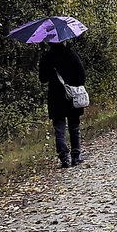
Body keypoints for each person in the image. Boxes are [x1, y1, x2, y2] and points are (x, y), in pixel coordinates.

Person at [38, 38, 88, 167]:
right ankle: (76, 156)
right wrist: (74, 84)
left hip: (55, 97)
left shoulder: (46, 58)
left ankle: (64, 157)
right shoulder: (71, 54)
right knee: (74, 127)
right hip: (72, 96)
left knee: (59, 128)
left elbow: (42, 79)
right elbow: (82, 76)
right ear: (63, 40)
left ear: (49, 43)